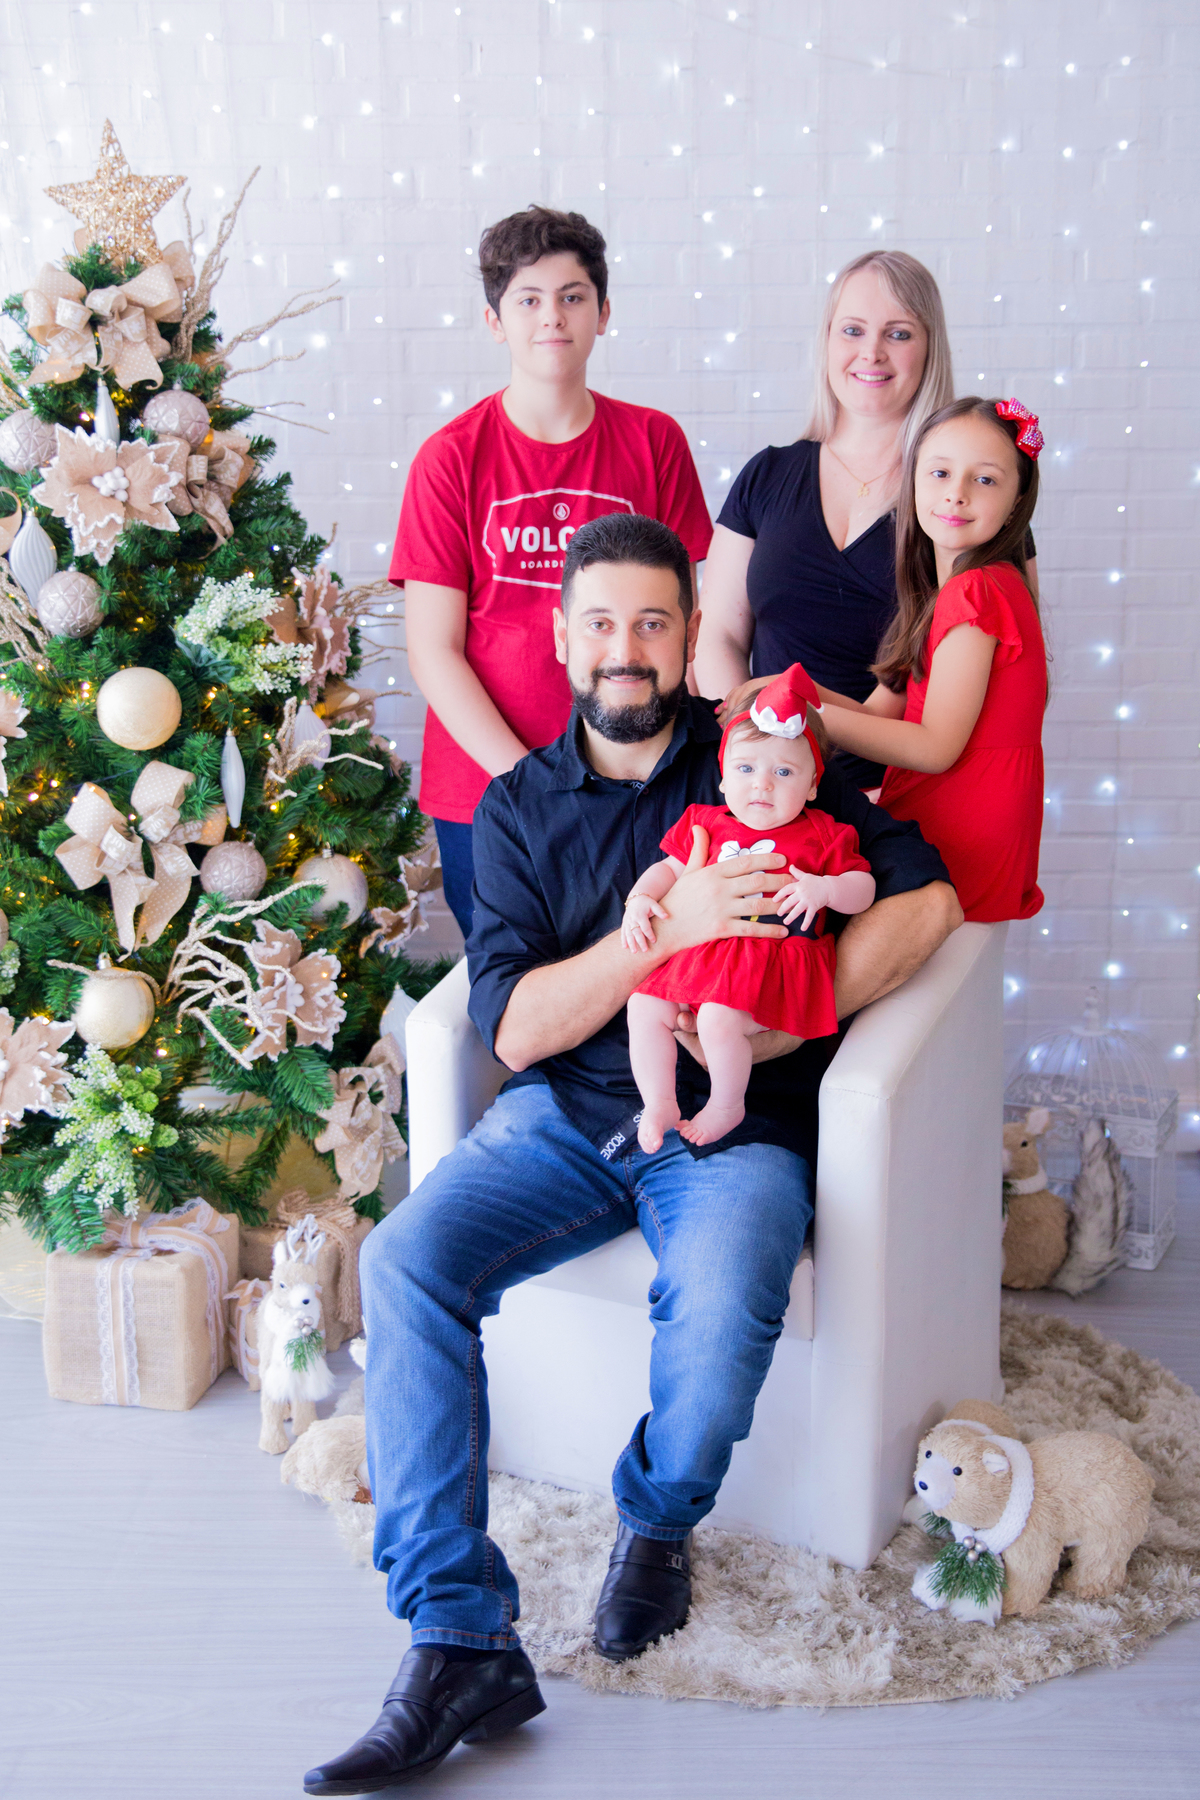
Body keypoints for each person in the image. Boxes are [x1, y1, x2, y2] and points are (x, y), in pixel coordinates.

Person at [303, 513, 962, 1797]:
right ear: (560, 642)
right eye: (600, 623)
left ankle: (656, 1521)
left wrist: (776, 1030)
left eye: (654, 623)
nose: (627, 649)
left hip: (730, 1125)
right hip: (561, 1119)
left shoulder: (761, 759)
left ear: (686, 640)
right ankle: (456, 1635)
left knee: (717, 1340)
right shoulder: (520, 809)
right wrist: (654, 948)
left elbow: (927, 903)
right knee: (404, 1262)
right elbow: (517, 1025)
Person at [390, 204, 713, 938]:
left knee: (644, 986)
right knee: (516, 1000)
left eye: (572, 297)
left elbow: (688, 626)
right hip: (489, 788)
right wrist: (531, 784)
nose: (553, 318)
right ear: (494, 321)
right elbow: (432, 649)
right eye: (528, 300)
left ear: (603, 313)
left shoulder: (654, 442)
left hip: (634, 781)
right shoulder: (451, 459)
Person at [693, 250, 1038, 788]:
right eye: (852, 330)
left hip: (909, 799)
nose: (871, 352)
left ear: (929, 350)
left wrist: (878, 795)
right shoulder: (767, 475)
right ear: (828, 341)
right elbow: (716, 634)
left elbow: (1010, 679)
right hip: (770, 789)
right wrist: (749, 748)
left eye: (898, 333)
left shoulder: (963, 503)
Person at [811, 396, 1047, 923]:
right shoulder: (950, 594)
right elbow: (876, 718)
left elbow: (937, 747)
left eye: (984, 480)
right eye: (940, 473)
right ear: (913, 480)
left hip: (962, 834)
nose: (956, 495)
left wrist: (810, 719)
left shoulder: (978, 592)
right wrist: (796, 686)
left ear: (1016, 502)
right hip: (959, 822)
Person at [624, 666, 874, 1151]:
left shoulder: (823, 833)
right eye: (745, 769)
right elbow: (668, 869)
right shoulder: (707, 823)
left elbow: (861, 887)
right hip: (706, 955)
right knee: (643, 1005)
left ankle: (726, 1104)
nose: (762, 785)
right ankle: (658, 1100)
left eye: (783, 772)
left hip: (773, 959)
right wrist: (639, 900)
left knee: (719, 1018)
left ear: (813, 786)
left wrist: (825, 891)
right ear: (722, 780)